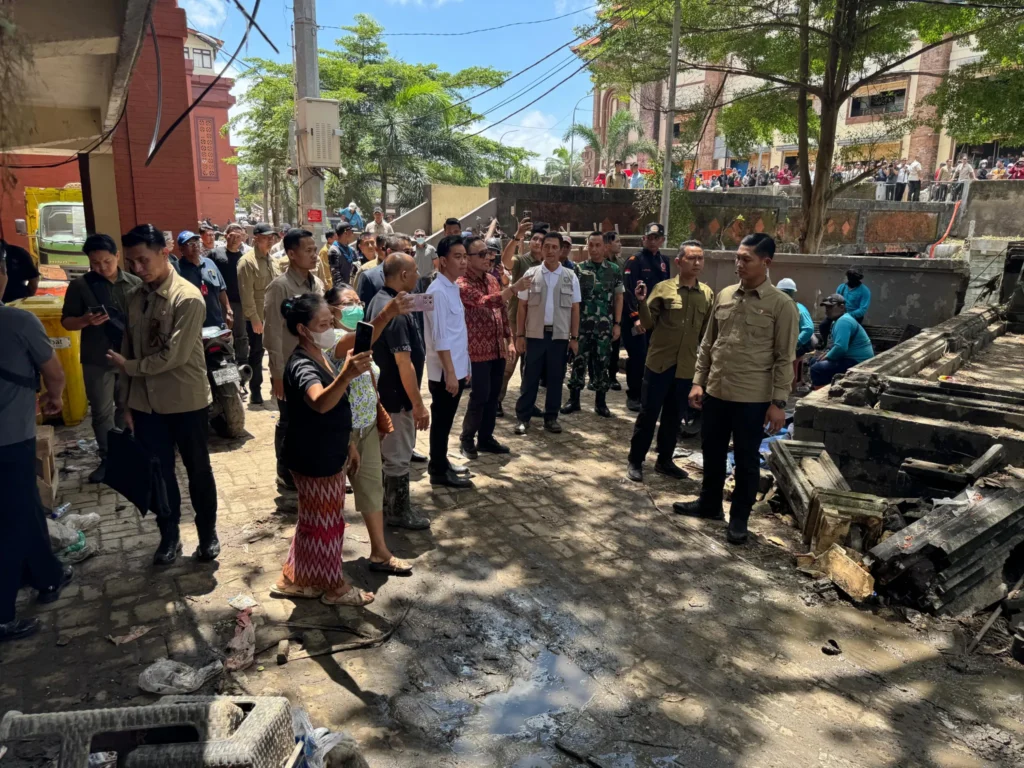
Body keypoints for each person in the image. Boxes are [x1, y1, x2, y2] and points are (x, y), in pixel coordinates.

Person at [672, 234, 798, 545]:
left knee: (745, 460)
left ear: (766, 262)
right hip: (717, 391)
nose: (738, 264)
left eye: (746, 259)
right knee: (712, 452)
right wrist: (699, 382)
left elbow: (785, 358)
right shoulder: (725, 295)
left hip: (752, 398)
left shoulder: (781, 305)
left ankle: (739, 519)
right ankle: (710, 504)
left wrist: (778, 403)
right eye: (737, 258)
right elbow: (708, 344)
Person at [108, 225, 220, 564]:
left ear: (164, 252)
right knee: (159, 471)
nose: (138, 268)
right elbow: (127, 347)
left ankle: (207, 534)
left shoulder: (187, 297)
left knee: (198, 469)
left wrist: (131, 367)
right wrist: (126, 403)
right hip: (146, 404)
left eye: (143, 260)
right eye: (131, 262)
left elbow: (174, 356)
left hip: (185, 401)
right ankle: (169, 534)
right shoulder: (134, 297)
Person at [269, 293, 375, 606]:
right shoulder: (301, 364)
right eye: (323, 325)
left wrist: (348, 443)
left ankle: (295, 578)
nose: (331, 329)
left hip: (327, 451)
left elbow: (337, 405)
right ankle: (334, 587)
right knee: (326, 526)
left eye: (332, 322)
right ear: (303, 329)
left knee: (314, 523)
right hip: (313, 458)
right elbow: (320, 402)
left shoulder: (320, 354)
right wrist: (347, 373)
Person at [0, 251, 73, 642]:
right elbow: (55, 372)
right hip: (9, 438)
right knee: (12, 521)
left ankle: (46, 575)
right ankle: (3, 614)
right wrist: (54, 396)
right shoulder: (17, 321)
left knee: (26, 507)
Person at [324, 286, 417, 572]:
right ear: (332, 310)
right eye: (348, 303)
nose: (356, 306)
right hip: (341, 432)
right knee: (330, 499)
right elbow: (356, 340)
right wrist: (387, 314)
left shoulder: (360, 337)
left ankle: (380, 553)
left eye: (358, 301)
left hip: (366, 427)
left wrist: (376, 418)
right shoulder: (330, 339)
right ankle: (324, 562)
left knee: (372, 490)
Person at [625, 240, 713, 482]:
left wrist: (703, 372)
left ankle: (664, 461)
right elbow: (647, 324)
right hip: (659, 364)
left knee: (674, 418)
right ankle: (636, 460)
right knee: (648, 415)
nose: (697, 262)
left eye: (700, 258)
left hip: (686, 367)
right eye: (691, 258)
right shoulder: (663, 289)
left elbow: (706, 335)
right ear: (678, 262)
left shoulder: (707, 295)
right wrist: (641, 302)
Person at [60, 234, 142, 483]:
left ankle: (127, 454)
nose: (102, 267)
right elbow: (67, 322)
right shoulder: (81, 286)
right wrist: (85, 320)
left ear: (117, 255)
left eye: (107, 261)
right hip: (97, 358)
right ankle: (108, 459)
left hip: (128, 357)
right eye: (95, 263)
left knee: (127, 407)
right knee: (101, 412)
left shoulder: (135, 283)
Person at [367, 252, 434, 529]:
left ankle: (388, 503)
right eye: (415, 271)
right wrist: (418, 405)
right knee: (398, 456)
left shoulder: (380, 301)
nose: (418, 276)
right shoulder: (393, 312)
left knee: (390, 454)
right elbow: (404, 363)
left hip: (387, 393)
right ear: (404, 275)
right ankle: (398, 511)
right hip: (396, 398)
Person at [264, 228, 326, 503]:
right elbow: (273, 334)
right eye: (308, 250)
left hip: (316, 364)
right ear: (291, 253)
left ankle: (311, 467)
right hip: (290, 368)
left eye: (315, 250)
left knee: (315, 418)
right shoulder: (280, 287)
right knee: (289, 420)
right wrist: (277, 374)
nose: (314, 255)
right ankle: (285, 472)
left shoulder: (317, 283)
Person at [458, 236, 530, 459]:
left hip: (498, 347)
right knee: (480, 395)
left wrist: (509, 339)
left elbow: (502, 311)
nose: (488, 258)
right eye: (481, 254)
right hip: (477, 350)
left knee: (493, 396)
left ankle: (486, 438)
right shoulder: (462, 283)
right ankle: (467, 439)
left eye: (489, 253)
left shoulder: (491, 279)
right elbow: (485, 301)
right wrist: (514, 288)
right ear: (467, 258)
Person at [514, 231, 582, 435]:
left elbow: (575, 309)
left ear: (561, 250)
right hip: (535, 336)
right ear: (541, 249)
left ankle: (551, 418)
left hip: (559, 337)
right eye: (547, 247)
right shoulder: (530, 274)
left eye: (554, 247)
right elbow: (522, 307)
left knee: (555, 379)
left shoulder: (570, 276)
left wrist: (574, 338)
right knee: (530, 379)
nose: (550, 251)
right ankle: (523, 418)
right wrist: (519, 335)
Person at [422, 236, 474, 488]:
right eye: (457, 257)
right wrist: (451, 373)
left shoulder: (452, 287)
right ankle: (438, 470)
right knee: (442, 421)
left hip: (456, 367)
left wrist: (465, 367)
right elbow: (440, 338)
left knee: (447, 419)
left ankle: (441, 461)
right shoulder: (438, 291)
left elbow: (457, 332)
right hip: (445, 372)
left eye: (465, 256)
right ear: (443, 261)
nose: (463, 262)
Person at [563, 232, 623, 419]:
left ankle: (601, 402)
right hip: (581, 326)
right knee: (578, 361)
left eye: (598, 245)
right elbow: (571, 300)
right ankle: (574, 399)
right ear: (587, 246)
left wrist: (617, 323)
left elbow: (619, 297)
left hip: (604, 327)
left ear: (605, 247)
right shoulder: (578, 269)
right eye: (591, 245)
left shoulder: (614, 269)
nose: (594, 249)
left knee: (602, 362)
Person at [622, 222, 672, 412]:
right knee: (638, 356)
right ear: (643, 239)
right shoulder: (635, 261)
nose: (652, 241)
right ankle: (633, 395)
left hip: (656, 320)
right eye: (649, 237)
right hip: (635, 319)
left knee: (653, 357)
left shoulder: (664, 261)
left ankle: (648, 394)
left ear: (662, 240)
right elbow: (628, 291)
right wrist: (635, 317)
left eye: (656, 238)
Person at [498, 224, 547, 415]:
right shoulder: (522, 260)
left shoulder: (548, 265)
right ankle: (496, 401)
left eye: (541, 240)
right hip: (515, 320)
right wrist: (517, 236)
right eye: (534, 238)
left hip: (537, 323)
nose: (537, 242)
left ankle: (527, 404)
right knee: (509, 364)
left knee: (531, 367)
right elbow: (506, 261)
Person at [237, 222, 277, 404]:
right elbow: (246, 295)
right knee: (257, 355)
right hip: (258, 318)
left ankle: (276, 387)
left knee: (276, 353)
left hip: (274, 317)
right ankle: (255, 390)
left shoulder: (272, 260)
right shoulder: (247, 262)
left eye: (272, 237)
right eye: (266, 237)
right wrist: (254, 319)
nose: (270, 240)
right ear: (256, 239)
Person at [809, 294, 875, 388]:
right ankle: (825, 387)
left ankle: (821, 393)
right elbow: (837, 346)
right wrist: (827, 354)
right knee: (814, 360)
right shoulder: (838, 320)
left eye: (830, 307)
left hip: (858, 362)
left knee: (817, 368)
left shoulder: (843, 321)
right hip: (850, 358)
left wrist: (827, 357)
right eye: (826, 307)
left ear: (842, 307)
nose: (827, 310)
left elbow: (841, 348)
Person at [211, 223, 250, 376]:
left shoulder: (245, 258)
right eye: (232, 235)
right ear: (225, 235)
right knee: (222, 335)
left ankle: (242, 368)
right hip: (220, 302)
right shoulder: (215, 254)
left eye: (238, 236)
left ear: (243, 238)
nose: (235, 239)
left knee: (241, 335)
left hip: (240, 302)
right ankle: (224, 367)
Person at [174, 230, 231, 329]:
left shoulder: (209, 263)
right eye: (190, 243)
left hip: (215, 322)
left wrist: (228, 310)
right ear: (181, 249)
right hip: (191, 326)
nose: (195, 245)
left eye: (196, 241)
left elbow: (221, 289)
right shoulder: (176, 269)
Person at [358, 233, 414, 307]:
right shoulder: (369, 277)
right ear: (389, 252)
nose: (410, 257)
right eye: (407, 252)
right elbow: (364, 310)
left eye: (412, 253)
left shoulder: (415, 275)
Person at [777, 277, 815, 356]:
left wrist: (795, 343)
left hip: (796, 347)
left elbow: (808, 329)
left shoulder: (799, 309)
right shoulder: (779, 308)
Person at [328, 222, 357, 287]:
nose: (352, 234)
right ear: (346, 233)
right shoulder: (334, 250)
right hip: (342, 289)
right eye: (351, 231)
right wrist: (345, 289)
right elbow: (336, 275)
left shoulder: (351, 250)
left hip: (352, 287)